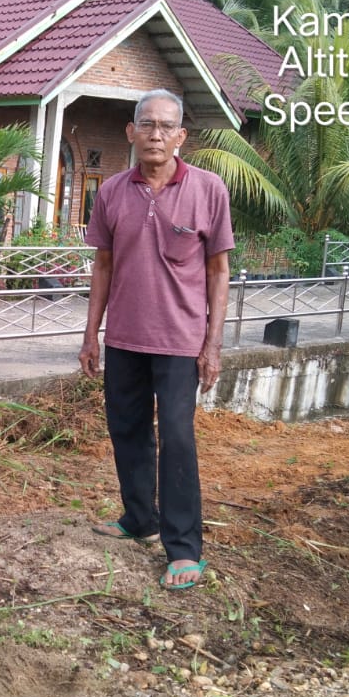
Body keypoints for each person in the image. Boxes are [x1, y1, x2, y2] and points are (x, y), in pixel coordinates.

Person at [78, 89, 233, 591]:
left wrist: (212, 345)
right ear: (131, 131)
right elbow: (102, 265)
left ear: (181, 136)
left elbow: (218, 271)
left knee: (177, 438)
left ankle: (184, 548)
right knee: (126, 429)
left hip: (180, 341)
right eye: (147, 124)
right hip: (124, 336)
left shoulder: (209, 190)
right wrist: (91, 335)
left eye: (167, 126)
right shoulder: (111, 193)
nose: (156, 134)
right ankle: (139, 517)